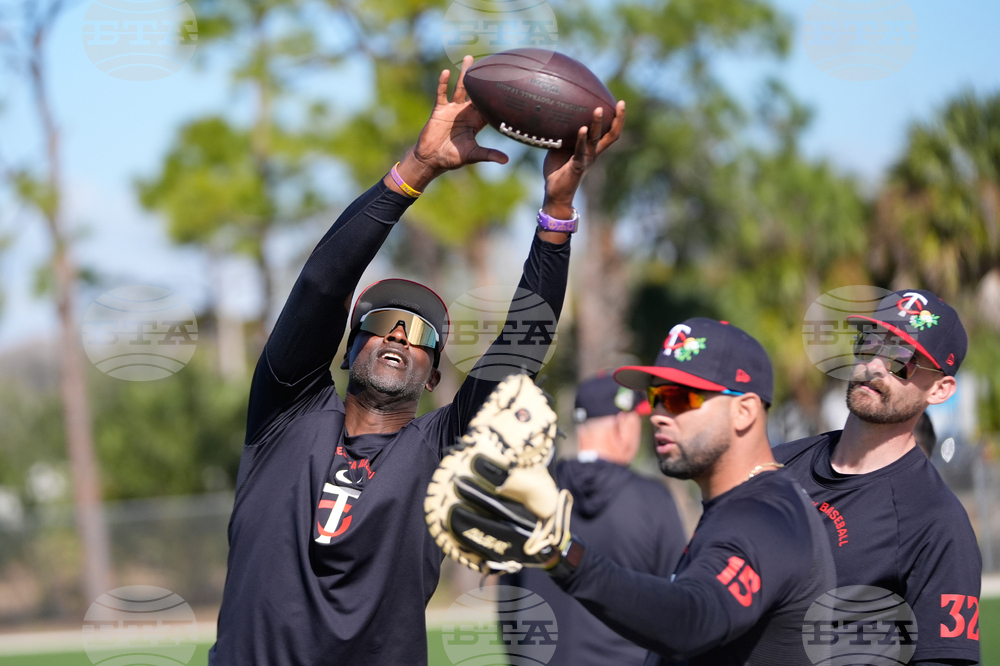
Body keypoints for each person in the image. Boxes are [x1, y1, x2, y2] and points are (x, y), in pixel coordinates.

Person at [208, 55, 625, 666]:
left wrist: (557, 214)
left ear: (434, 375)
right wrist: (417, 169)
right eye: (381, 323)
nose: (399, 336)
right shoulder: (284, 413)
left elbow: (519, 352)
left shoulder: (442, 451)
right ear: (349, 349)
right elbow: (323, 286)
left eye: (420, 334)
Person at [443, 318, 836, 665]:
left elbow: (692, 618)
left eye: (681, 398)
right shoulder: (735, 504)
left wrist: (562, 554)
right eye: (656, 397)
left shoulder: (767, 516)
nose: (660, 415)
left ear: (745, 411)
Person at [775, 289, 982, 665]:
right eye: (871, 343)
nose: (876, 366)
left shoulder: (937, 522)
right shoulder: (776, 465)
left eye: (902, 358)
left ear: (940, 389)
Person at [505, 373, 686, 666]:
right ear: (623, 424)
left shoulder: (530, 495)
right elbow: (678, 611)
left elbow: (508, 599)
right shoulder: (653, 501)